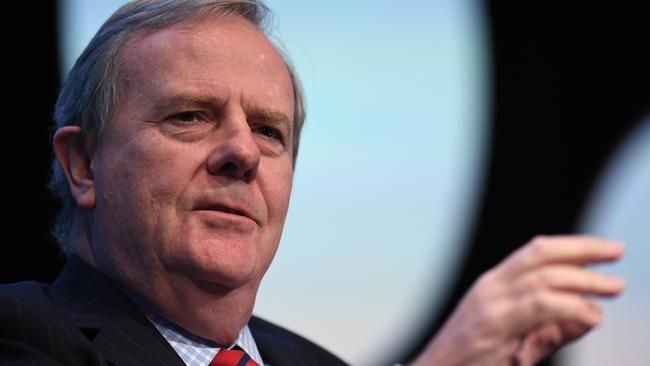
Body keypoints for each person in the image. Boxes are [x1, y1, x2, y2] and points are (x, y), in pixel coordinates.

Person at [0, 1, 625, 365]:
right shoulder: (21, 333)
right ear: (83, 164)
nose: (242, 152)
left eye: (271, 131)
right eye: (190, 116)